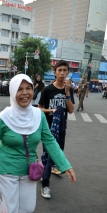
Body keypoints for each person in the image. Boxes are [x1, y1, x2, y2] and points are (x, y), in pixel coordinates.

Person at [0, 74, 76, 213]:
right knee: (10, 208)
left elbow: (49, 141)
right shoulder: (4, 118)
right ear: (12, 92)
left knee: (27, 207)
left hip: (29, 170)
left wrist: (64, 165)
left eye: (28, 88)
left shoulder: (38, 115)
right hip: (5, 170)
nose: (25, 93)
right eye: (20, 89)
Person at [38, 60, 75, 198]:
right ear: (54, 72)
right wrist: (51, 110)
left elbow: (71, 110)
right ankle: (45, 185)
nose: (62, 73)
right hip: (48, 129)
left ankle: (42, 170)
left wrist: (67, 93)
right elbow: (39, 109)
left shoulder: (69, 89)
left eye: (65, 70)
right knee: (49, 156)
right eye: (59, 70)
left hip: (61, 128)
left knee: (56, 154)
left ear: (68, 72)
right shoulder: (47, 90)